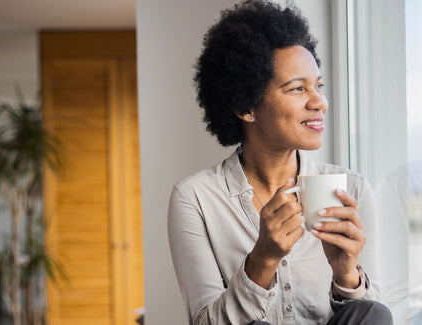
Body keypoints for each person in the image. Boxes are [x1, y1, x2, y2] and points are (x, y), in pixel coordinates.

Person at [168, 1, 394, 324]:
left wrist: (347, 276)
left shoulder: (353, 189)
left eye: (318, 86)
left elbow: (371, 319)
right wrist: (262, 260)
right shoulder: (195, 199)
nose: (319, 102)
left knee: (372, 310)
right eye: (297, 88)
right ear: (246, 106)